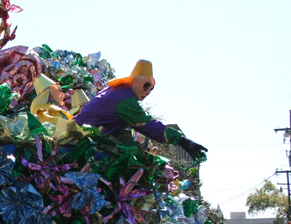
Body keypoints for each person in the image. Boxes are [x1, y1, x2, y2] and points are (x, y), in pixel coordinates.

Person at [73, 60, 208, 159]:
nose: (148, 91)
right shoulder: (125, 100)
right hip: (80, 143)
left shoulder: (116, 90)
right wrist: (182, 140)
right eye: (146, 86)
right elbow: (147, 124)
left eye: (151, 89)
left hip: (77, 136)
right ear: (134, 81)